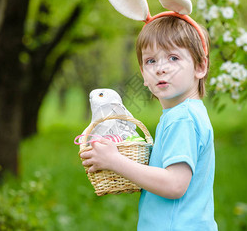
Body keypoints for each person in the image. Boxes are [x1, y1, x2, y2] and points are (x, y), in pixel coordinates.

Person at [80, 14, 218, 231]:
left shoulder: (182, 118)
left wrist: (115, 161)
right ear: (144, 75)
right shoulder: (183, 114)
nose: (160, 68)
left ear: (200, 66)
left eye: (173, 58)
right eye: (150, 61)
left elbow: (174, 185)